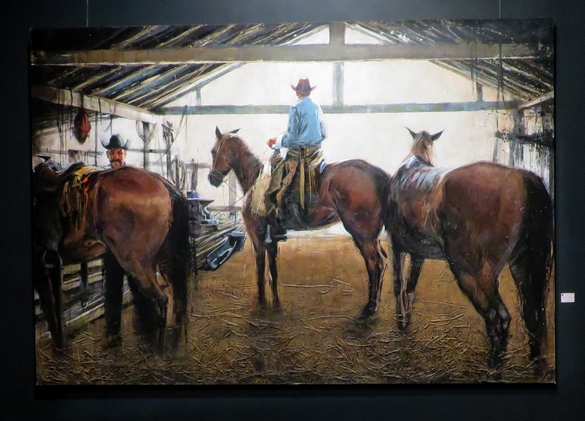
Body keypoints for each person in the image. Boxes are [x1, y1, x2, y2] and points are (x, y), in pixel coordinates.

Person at [265, 78, 327, 242]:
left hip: (299, 155)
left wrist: (276, 141)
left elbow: (291, 137)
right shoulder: (317, 108)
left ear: (297, 92)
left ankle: (277, 226)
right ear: (310, 92)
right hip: (316, 155)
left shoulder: (295, 108)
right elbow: (324, 134)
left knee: (274, 182)